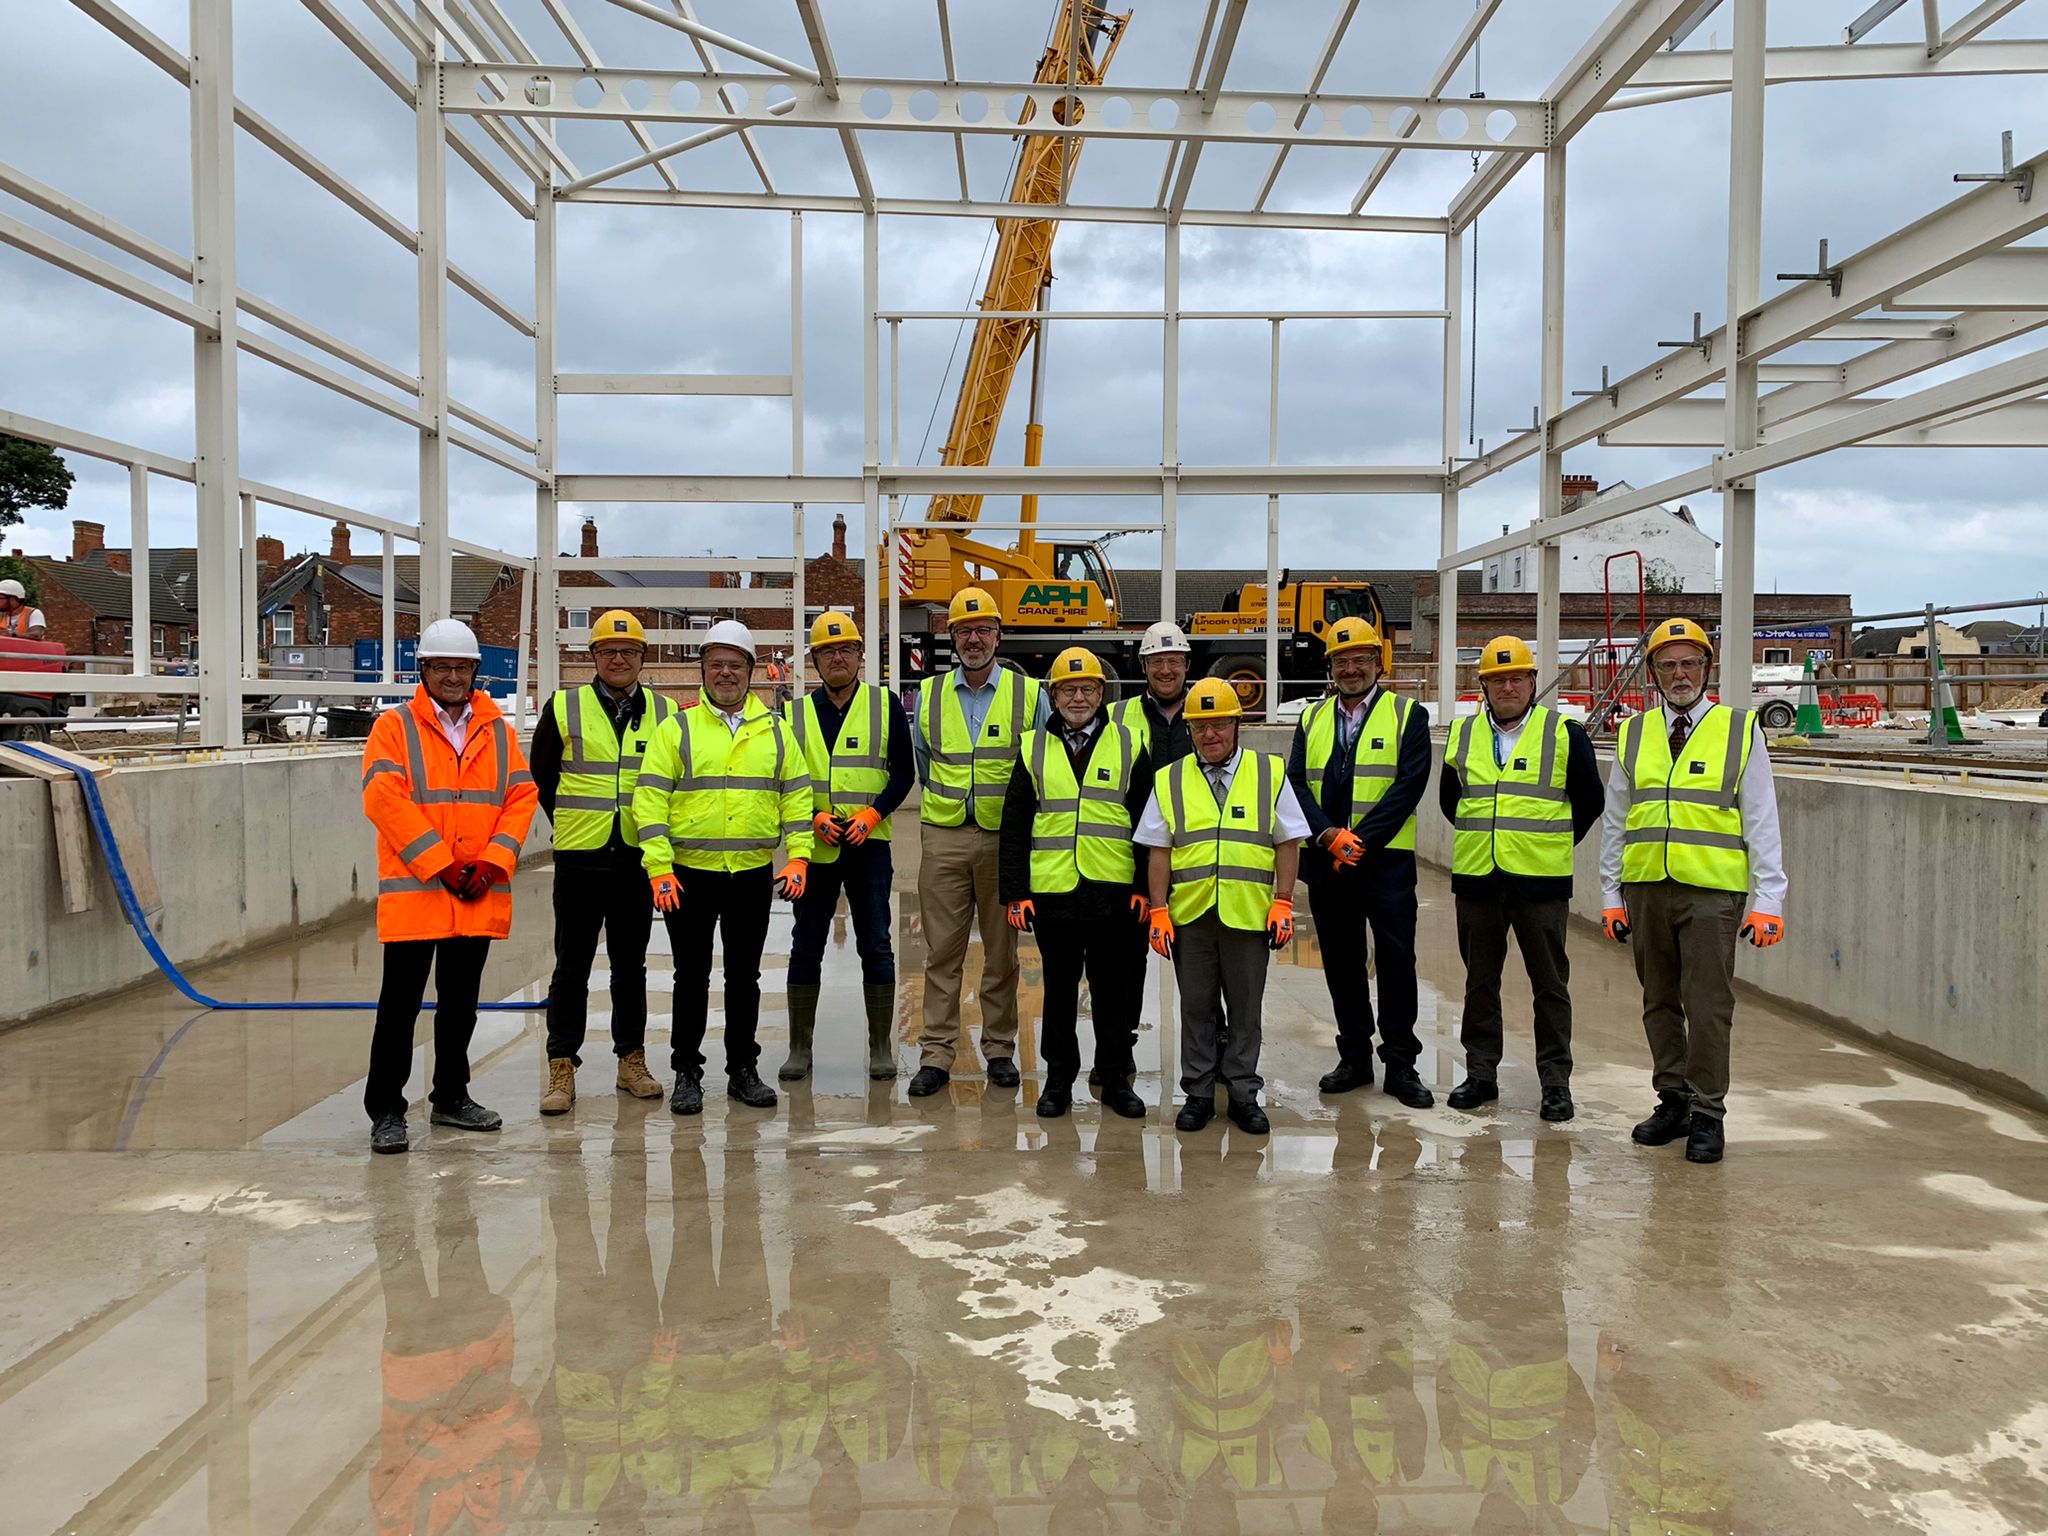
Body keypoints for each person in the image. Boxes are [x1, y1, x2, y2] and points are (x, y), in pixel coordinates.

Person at [1599, 617, 1787, 1165]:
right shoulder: (1633, 732)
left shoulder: (1740, 729)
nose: (1679, 674)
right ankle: (1673, 1100)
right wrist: (1610, 896)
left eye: (1689, 663)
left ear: (1707, 667)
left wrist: (1769, 901)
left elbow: (1762, 820)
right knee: (1658, 1001)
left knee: (1707, 1006)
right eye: (1668, 665)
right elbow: (1616, 821)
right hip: (1646, 889)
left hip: (1711, 893)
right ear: (1653, 673)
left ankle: (1708, 1111)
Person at [358, 618, 538, 1155]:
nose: (452, 677)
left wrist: (492, 862)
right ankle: (387, 1110)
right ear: (424, 669)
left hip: (475, 889)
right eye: (442, 667)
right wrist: (440, 863)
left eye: (461, 667)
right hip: (419, 891)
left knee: (461, 1003)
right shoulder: (394, 727)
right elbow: (383, 798)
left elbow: (521, 796)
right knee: (400, 1006)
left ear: (476, 671)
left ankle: (451, 1097)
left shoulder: (497, 730)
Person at [634, 620, 813, 1117]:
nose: (726, 673)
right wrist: (659, 868)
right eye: (716, 664)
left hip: (751, 873)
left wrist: (799, 857)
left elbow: (797, 797)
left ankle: (742, 1069)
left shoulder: (775, 731)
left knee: (744, 977)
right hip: (688, 875)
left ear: (752, 671)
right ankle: (687, 1073)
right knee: (690, 977)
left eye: (735, 665)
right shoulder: (678, 729)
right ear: (703, 670)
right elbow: (649, 801)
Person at [1438, 635, 1605, 1121]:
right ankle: (1480, 1074)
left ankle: (1555, 1084)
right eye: (1497, 680)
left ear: (1532, 682)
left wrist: (1548, 844)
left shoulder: (1564, 733)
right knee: (1479, 983)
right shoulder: (1463, 734)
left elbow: (1589, 801)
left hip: (1540, 883)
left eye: (1516, 678)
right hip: (1478, 879)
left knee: (1550, 986)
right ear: (1483, 686)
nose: (1507, 687)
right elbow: (1451, 801)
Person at [1136, 678, 1306, 1135]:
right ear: (1189, 730)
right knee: (1196, 1008)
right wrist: (1158, 911)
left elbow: (1287, 841)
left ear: (1237, 725)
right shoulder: (1169, 779)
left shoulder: (1269, 773)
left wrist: (1283, 902)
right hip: (1191, 916)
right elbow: (1159, 851)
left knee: (1246, 1010)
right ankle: (1198, 1094)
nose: (1209, 735)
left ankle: (1244, 1094)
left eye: (1219, 725)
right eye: (1199, 727)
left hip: (1249, 915)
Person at [529, 608, 674, 1115]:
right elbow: (542, 775)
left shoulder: (664, 712)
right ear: (592, 656)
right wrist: (571, 820)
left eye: (628, 651)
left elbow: (672, 778)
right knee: (571, 966)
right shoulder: (564, 706)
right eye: (608, 650)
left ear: (642, 657)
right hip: (580, 856)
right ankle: (561, 1065)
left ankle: (631, 1059)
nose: (618, 659)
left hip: (636, 855)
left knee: (630, 966)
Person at [1286, 617, 1435, 1109]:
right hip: (1327, 863)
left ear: (1378, 663)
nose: (1351, 669)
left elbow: (1409, 785)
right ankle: (1354, 1057)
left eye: (1360, 660)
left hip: (1385, 863)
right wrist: (1328, 836)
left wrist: (1360, 842)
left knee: (1396, 960)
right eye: (1341, 661)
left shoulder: (1407, 715)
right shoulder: (1311, 719)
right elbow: (1296, 785)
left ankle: (1401, 1063)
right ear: (1330, 667)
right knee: (1341, 962)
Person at [999, 646, 1154, 1121]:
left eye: (1087, 688)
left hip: (1114, 894)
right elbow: (1015, 824)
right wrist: (1016, 893)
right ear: (1054, 695)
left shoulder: (1129, 743)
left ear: (1102, 693)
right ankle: (1058, 1080)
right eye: (1068, 690)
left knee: (1113, 992)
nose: (1079, 698)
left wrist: (1144, 889)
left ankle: (1115, 1078)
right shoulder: (1032, 747)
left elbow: (1147, 823)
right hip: (1054, 893)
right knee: (1059, 993)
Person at [908, 587, 1048, 1098]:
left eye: (983, 629)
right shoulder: (929, 694)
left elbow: (1041, 765)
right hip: (944, 837)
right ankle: (936, 1055)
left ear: (998, 635)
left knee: (1002, 953)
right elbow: (924, 762)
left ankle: (1000, 1049)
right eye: (964, 630)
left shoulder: (1029, 694)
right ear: (951, 636)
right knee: (941, 953)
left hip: (1003, 842)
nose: (974, 639)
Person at [781, 609, 915, 1083]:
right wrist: (812, 816)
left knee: (876, 944)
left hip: (868, 846)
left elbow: (903, 773)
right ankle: (799, 1049)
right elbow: (785, 780)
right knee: (806, 945)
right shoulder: (794, 714)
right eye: (827, 651)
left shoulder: (885, 705)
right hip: (814, 849)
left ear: (860, 655)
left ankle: (880, 1048)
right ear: (814, 660)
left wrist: (873, 813)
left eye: (846, 649)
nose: (837, 658)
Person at [1111, 620, 1196, 767]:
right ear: (1144, 666)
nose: (1165, 670)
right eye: (1157, 662)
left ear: (1186, 665)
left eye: (1174, 661)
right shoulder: (1113, 715)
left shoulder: (1206, 714)